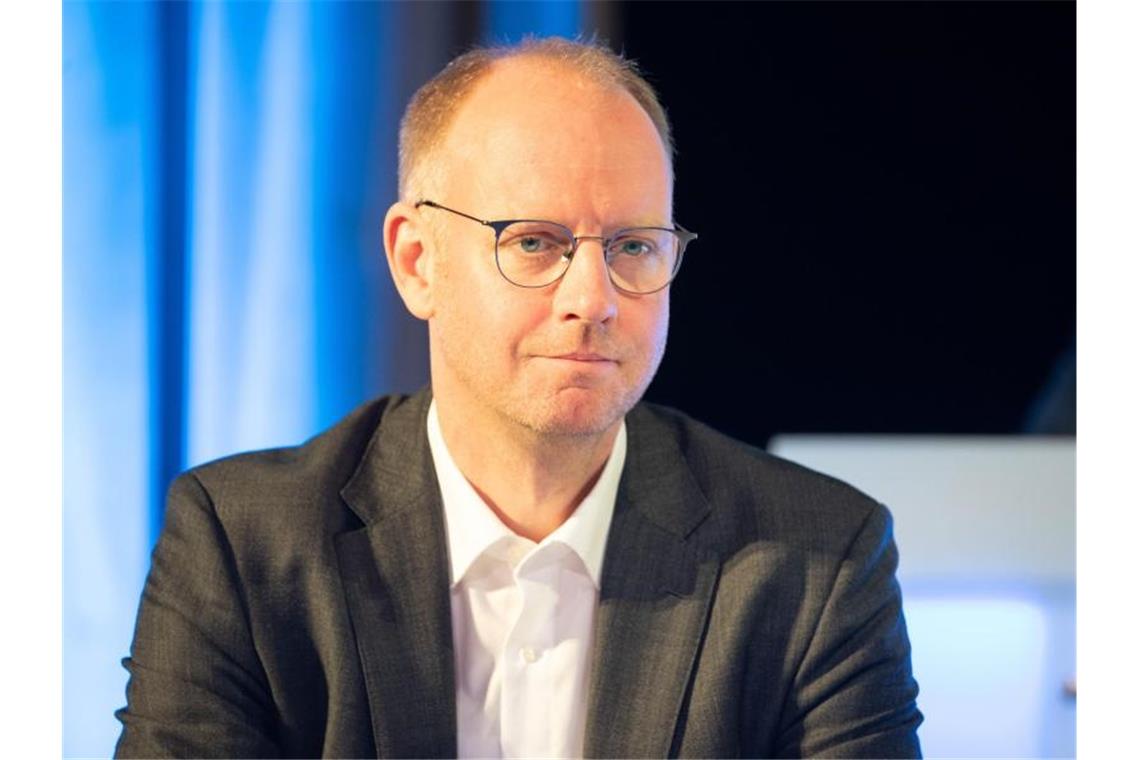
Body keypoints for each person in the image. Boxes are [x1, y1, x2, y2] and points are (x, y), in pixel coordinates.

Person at [115, 36, 922, 758]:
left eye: (634, 246)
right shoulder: (244, 545)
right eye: (535, 243)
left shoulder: (818, 562)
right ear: (417, 261)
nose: (594, 298)